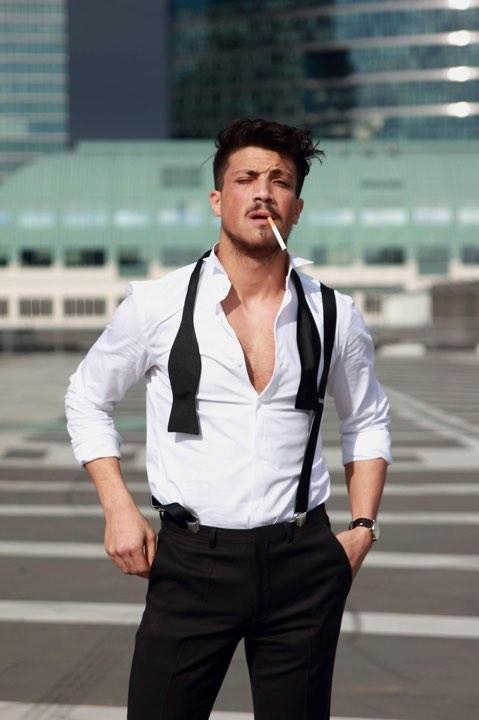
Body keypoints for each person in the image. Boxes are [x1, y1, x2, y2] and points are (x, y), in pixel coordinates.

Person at [65, 118, 391, 720]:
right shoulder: (157, 305)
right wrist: (118, 507)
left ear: (296, 208)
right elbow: (87, 397)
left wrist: (363, 528)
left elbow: (367, 420)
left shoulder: (335, 313)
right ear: (218, 199)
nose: (263, 192)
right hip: (191, 561)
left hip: (303, 562)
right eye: (246, 179)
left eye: (280, 181)